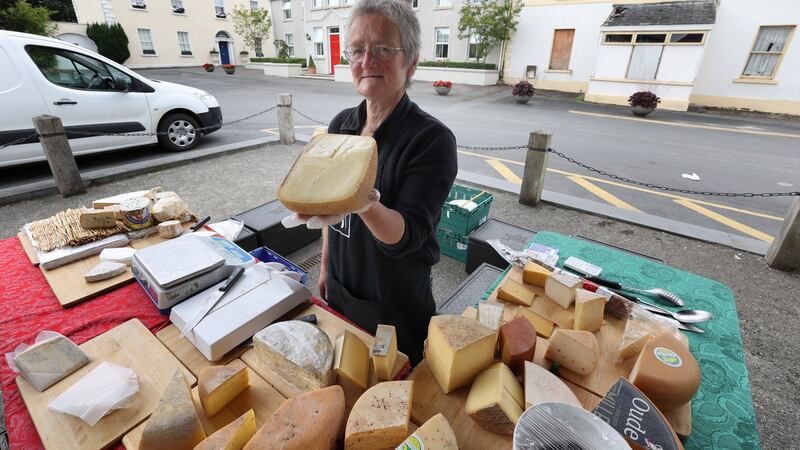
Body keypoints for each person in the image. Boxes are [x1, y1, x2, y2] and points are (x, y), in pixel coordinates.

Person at [287, 0, 457, 365]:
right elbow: (328, 212)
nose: (366, 61)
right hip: (342, 285)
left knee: (393, 386)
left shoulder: (430, 140)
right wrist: (325, 267)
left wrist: (364, 201)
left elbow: (408, 234)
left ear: (410, 61)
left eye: (382, 49)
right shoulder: (340, 126)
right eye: (358, 50)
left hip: (395, 300)